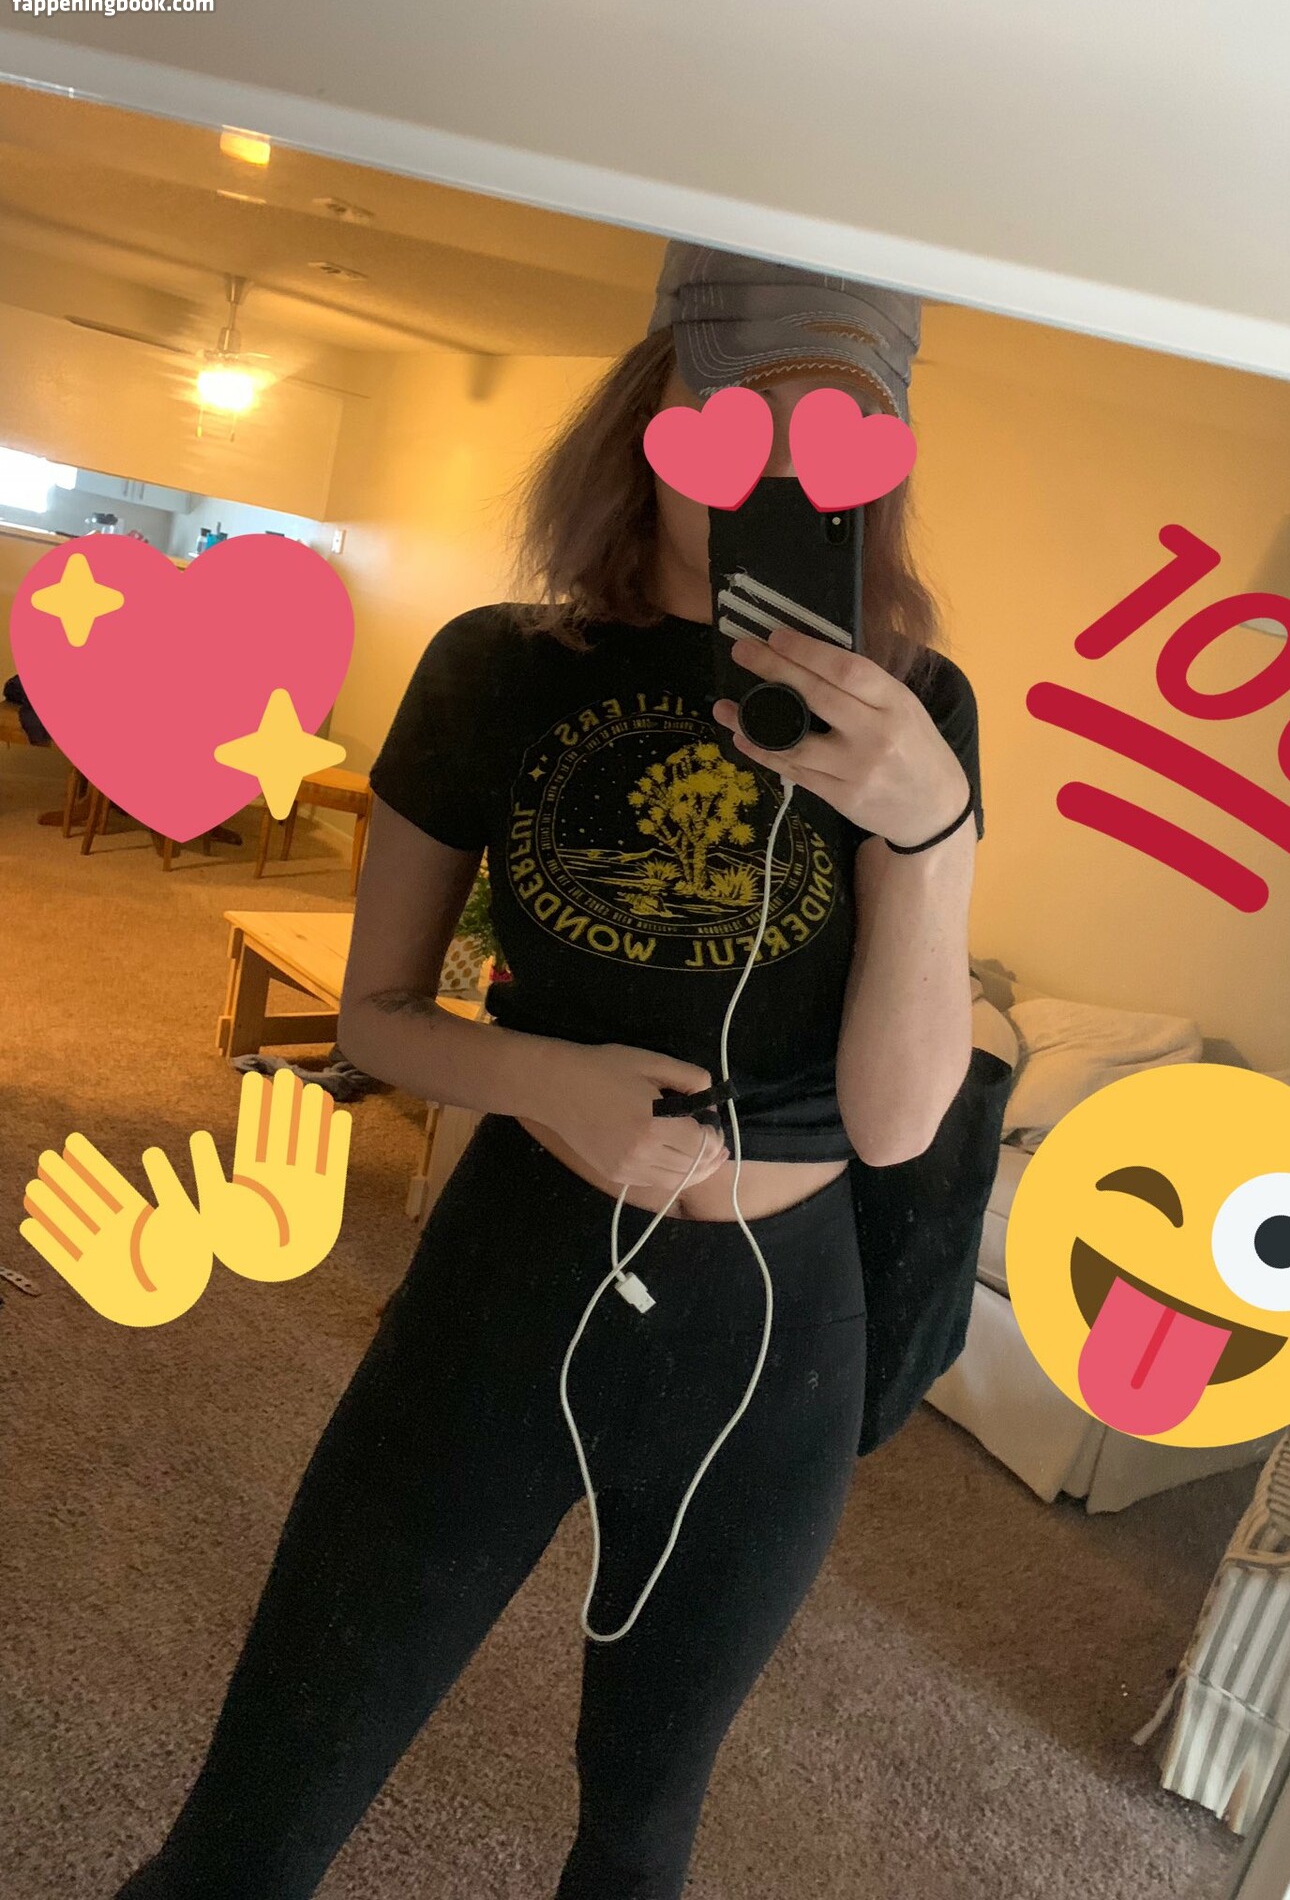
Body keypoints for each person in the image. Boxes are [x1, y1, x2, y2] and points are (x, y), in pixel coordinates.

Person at [114, 242, 983, 1900]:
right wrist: (547, 1081)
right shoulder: (502, 664)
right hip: (521, 1266)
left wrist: (932, 829)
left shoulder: (915, 708)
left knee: (639, 1836)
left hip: (777, 1335)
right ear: (650, 418)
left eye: (833, 447)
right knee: (264, 1806)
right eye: (742, 425)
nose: (780, 485)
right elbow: (375, 1019)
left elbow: (895, 1124)